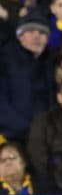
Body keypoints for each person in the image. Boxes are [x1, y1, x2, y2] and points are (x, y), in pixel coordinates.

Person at [0, 13, 54, 142]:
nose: (36, 36)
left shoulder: (51, 63)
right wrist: (26, 129)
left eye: (42, 32)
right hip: (11, 137)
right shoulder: (4, 60)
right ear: (20, 36)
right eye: (30, 31)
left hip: (44, 137)